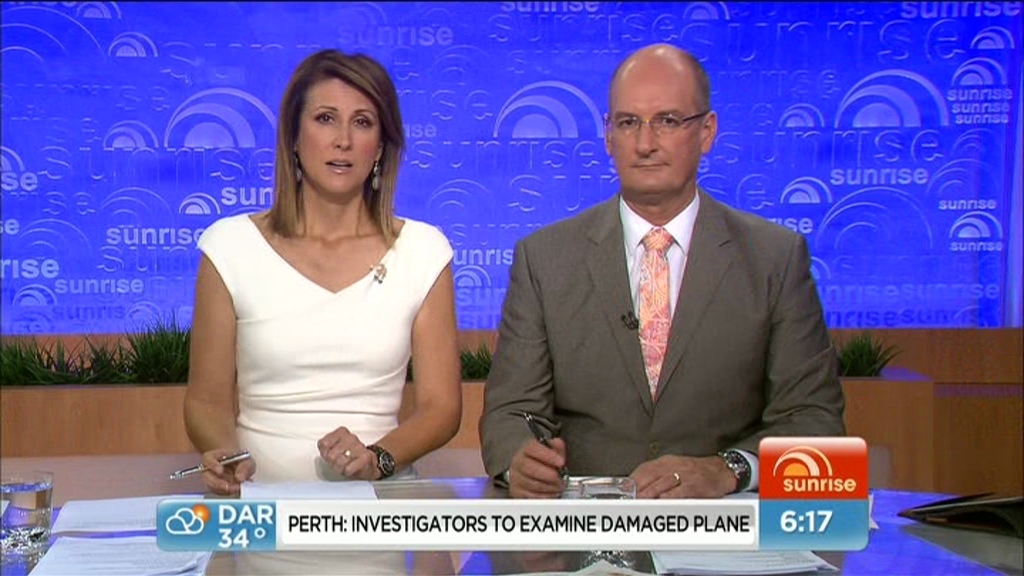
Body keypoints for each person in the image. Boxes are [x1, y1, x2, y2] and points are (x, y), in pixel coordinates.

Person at [480, 44, 844, 499]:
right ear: (608, 136)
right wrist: (520, 460)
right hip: (586, 525)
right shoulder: (545, 258)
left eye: (667, 121)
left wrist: (727, 470)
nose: (645, 143)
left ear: (707, 132)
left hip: (723, 522)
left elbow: (813, 419)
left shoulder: (774, 258)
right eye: (628, 123)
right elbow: (510, 413)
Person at [184, 49, 462, 495]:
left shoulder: (422, 250)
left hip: (377, 507)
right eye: (326, 119)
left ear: (381, 146)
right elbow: (205, 400)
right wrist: (227, 455)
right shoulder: (230, 246)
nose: (343, 140)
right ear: (294, 136)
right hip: (261, 505)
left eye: (363, 122)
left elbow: (441, 408)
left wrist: (377, 458)